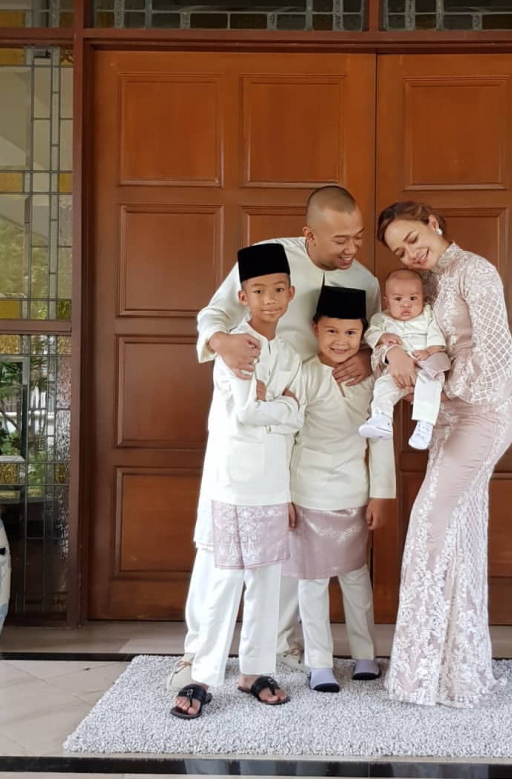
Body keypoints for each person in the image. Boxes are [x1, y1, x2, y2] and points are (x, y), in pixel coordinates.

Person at [168, 185, 381, 692]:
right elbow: (214, 315)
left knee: (288, 533)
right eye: (340, 240)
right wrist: (221, 343)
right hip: (245, 414)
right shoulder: (270, 260)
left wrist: (365, 357)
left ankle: (274, 648)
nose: (351, 249)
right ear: (309, 234)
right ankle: (196, 652)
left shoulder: (366, 280)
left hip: (312, 420)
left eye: (357, 238)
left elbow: (374, 334)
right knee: (218, 539)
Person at [376, 201, 512, 709]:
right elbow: (395, 330)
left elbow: (496, 356)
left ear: (434, 223)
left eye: (413, 239)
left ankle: (421, 672)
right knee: (460, 531)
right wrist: (393, 352)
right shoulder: (423, 282)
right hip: (448, 416)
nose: (410, 253)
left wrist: (441, 382)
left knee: (430, 521)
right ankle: (456, 670)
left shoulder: (475, 270)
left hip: (485, 412)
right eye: (400, 251)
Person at [171, 243, 302, 719]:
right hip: (231, 481)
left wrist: (279, 405)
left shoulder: (288, 354)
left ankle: (255, 671)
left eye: (278, 290)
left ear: (290, 294)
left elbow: (296, 417)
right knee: (225, 580)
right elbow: (248, 412)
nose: (270, 299)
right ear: (243, 296)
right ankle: (203, 676)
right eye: (259, 290)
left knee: (266, 578)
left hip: (271, 482)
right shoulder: (234, 345)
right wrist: (281, 406)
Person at [284, 285, 396, 693]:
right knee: (312, 582)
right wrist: (283, 495)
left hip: (354, 490)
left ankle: (366, 654)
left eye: (351, 333)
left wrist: (382, 494)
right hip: (307, 490)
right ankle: (319, 662)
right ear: (315, 329)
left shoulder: (373, 379)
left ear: (363, 335)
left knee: (355, 578)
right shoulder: (302, 374)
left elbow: (380, 438)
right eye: (332, 331)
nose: (341, 341)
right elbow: (285, 437)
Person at [359, 268, 449, 450]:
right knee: (383, 386)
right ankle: (381, 418)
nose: (406, 304)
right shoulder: (381, 319)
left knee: (430, 386)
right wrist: (383, 336)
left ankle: (424, 425)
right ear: (387, 301)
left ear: (423, 298)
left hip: (425, 365)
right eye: (398, 299)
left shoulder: (427, 314)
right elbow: (370, 333)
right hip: (396, 370)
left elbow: (436, 336)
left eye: (413, 298)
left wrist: (429, 351)